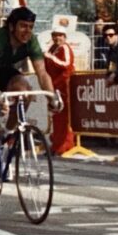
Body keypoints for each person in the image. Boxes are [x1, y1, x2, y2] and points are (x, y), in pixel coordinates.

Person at [0, 7, 62, 207]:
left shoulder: (31, 41)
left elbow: (42, 74)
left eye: (30, 27)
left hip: (4, 71)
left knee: (24, 91)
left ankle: (6, 135)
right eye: (23, 26)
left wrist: (52, 98)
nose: (27, 31)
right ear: (11, 27)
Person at [44, 26, 77, 155]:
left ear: (64, 37)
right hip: (54, 86)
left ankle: (65, 145)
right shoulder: (52, 48)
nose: (57, 38)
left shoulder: (65, 48)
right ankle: (56, 144)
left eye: (60, 35)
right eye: (55, 35)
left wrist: (51, 58)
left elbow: (67, 64)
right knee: (56, 117)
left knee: (64, 117)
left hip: (63, 86)